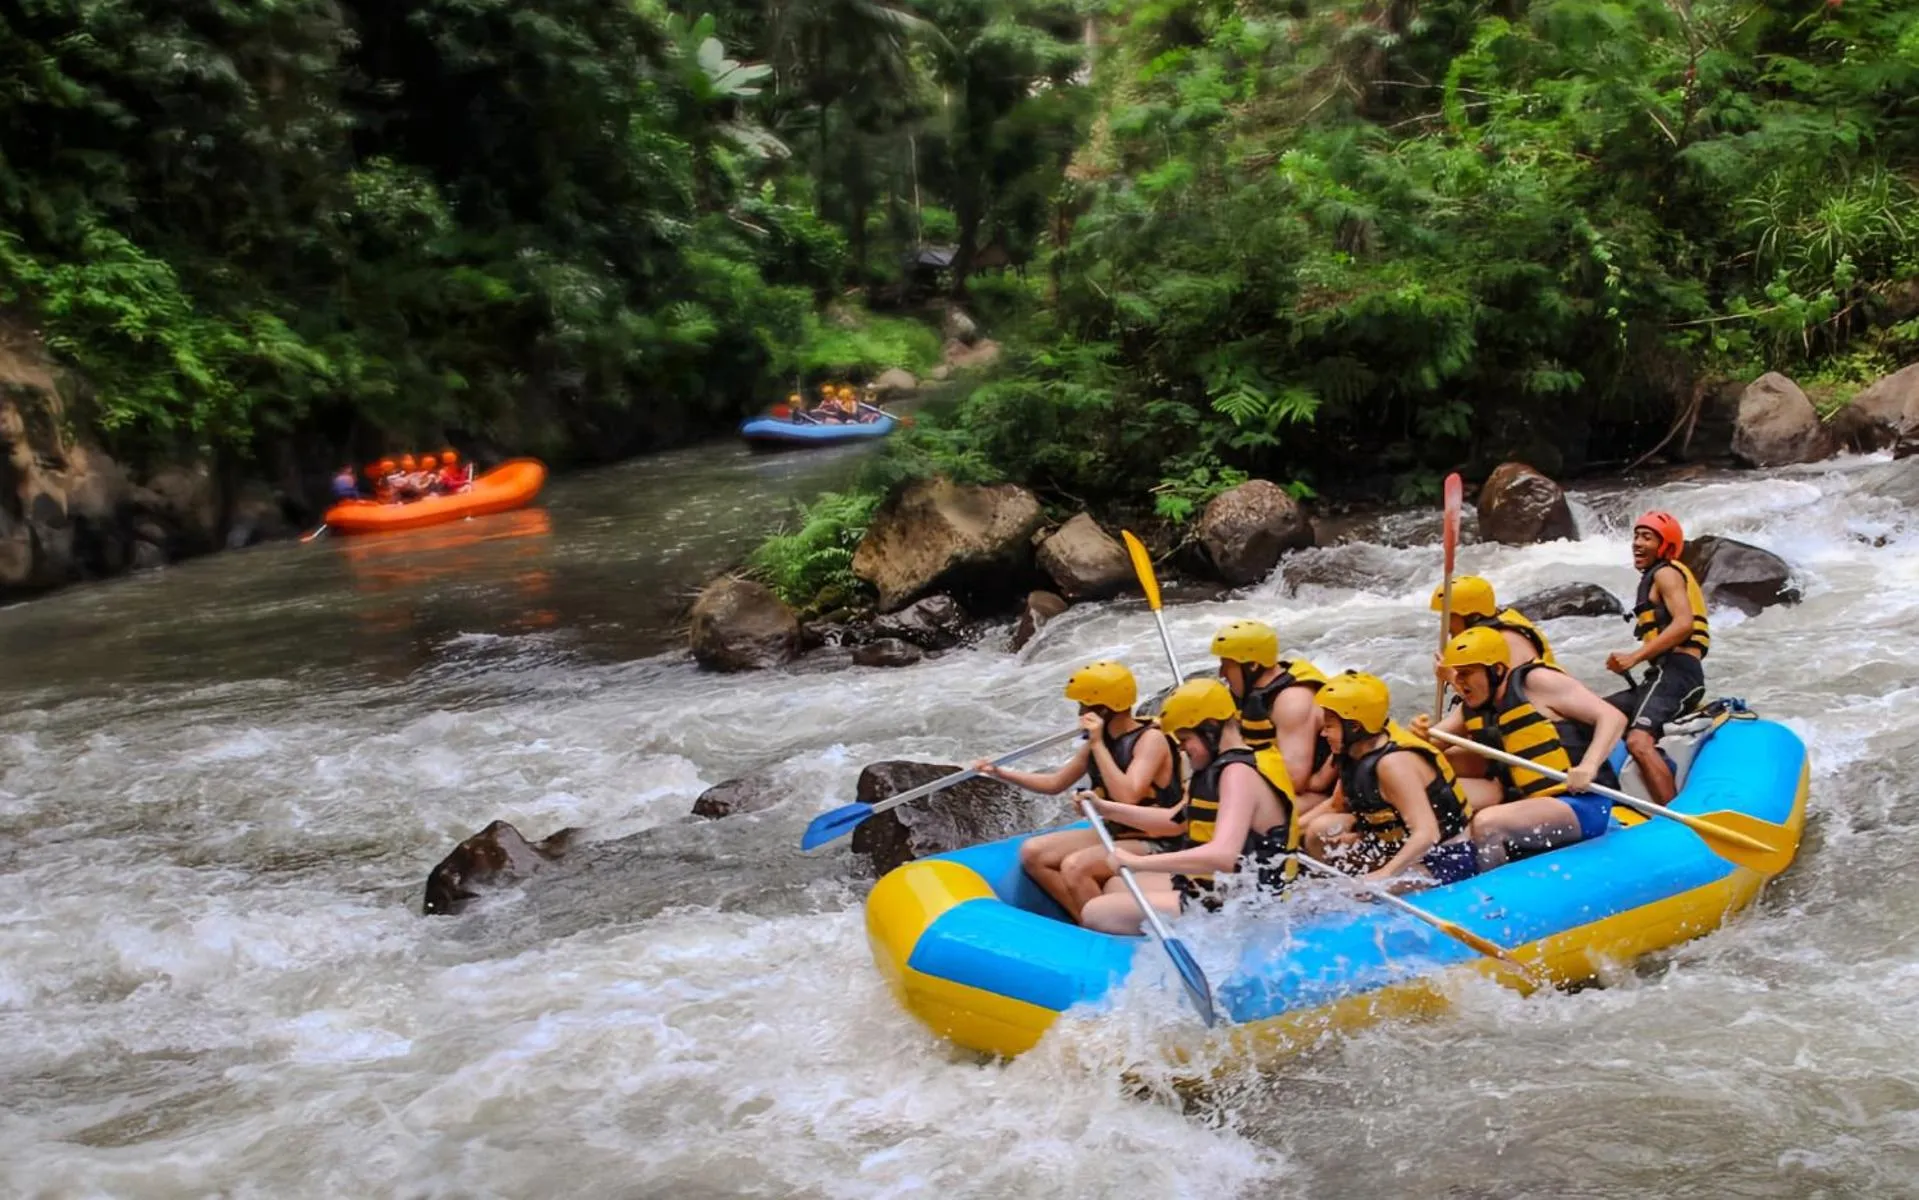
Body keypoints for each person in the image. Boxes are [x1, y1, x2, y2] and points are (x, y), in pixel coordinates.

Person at [1078, 678, 1299, 934]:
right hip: (1218, 889)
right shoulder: (1218, 766)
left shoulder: (1238, 774)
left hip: (1244, 906)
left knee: (1096, 912)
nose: (1181, 749)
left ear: (1210, 728)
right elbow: (1174, 820)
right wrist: (1105, 808)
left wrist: (1138, 863)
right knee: (1114, 886)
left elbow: (1222, 857)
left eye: (1185, 739)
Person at [977, 661, 1183, 920]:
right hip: (1120, 831)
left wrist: (1097, 743)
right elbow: (1055, 784)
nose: (1080, 712)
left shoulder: (1150, 740)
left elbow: (1127, 795)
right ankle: (1086, 920)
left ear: (1103, 710)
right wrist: (999, 772)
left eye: (1084, 705)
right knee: (1034, 853)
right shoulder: (1100, 741)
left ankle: (1107, 928)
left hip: (1160, 839)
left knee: (1075, 866)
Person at [1414, 627, 1627, 870]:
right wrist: (1418, 733)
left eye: (1466, 673)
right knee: (1450, 827)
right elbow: (1426, 747)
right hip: (1528, 807)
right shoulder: (1472, 708)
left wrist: (1589, 765)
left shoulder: (1536, 682)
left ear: (1496, 670)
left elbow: (1612, 717)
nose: (1457, 683)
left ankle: (1493, 896)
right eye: (1456, 675)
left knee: (1487, 823)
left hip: (1581, 805)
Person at [1301, 672, 1478, 887]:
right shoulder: (1354, 753)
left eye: (1329, 725)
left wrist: (1384, 875)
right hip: (1390, 844)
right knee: (1318, 831)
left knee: (1355, 894)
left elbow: (1426, 833)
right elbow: (1336, 805)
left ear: (1354, 726)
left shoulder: (1393, 764)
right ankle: (1330, 884)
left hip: (1442, 859)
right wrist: (1289, 832)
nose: (1323, 733)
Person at [1601, 510, 1710, 806]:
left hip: (1679, 672)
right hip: (1661, 674)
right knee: (1600, 714)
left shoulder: (1666, 573)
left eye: (1646, 537)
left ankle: (1674, 817)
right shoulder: (1654, 577)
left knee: (1639, 740)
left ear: (1665, 546)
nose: (1637, 543)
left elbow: (1684, 623)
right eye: (1636, 536)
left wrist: (1634, 657)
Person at [1209, 620, 1335, 815]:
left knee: (1236, 815)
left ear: (1252, 666)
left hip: (1317, 795)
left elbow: (1294, 780)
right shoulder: (1250, 691)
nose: (1221, 673)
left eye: (1227, 665)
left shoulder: (1292, 701)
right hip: (1277, 787)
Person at [1429, 576, 1556, 702]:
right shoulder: (1485, 640)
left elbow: (1506, 702)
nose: (1444, 623)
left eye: (1449, 615)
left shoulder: (1506, 640)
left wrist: (1452, 677)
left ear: (1470, 615)